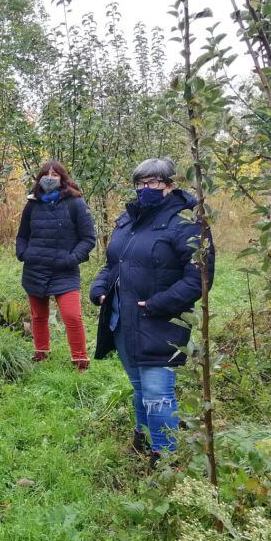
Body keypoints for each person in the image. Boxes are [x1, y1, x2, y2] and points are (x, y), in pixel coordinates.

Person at [89, 157, 214, 468]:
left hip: (160, 322)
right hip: (122, 319)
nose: (146, 188)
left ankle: (166, 459)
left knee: (158, 392)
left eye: (154, 182)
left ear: (170, 184)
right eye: (141, 183)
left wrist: (160, 303)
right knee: (140, 387)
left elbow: (199, 278)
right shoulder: (128, 219)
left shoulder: (187, 222)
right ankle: (143, 439)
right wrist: (100, 286)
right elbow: (113, 264)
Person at [15, 160, 97, 371]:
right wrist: (23, 254)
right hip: (35, 268)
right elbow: (22, 236)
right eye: (45, 174)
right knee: (39, 316)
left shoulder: (75, 203)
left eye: (55, 174)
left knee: (72, 316)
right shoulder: (32, 204)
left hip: (64, 270)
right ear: (39, 178)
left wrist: (71, 259)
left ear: (63, 178)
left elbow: (88, 238)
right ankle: (41, 355)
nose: (49, 178)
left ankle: (80, 361)